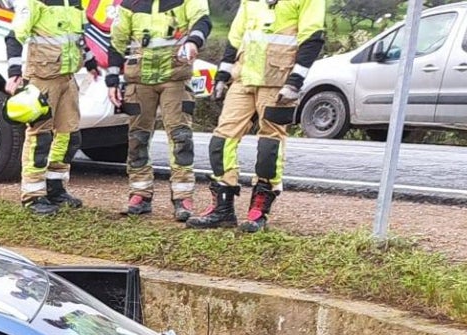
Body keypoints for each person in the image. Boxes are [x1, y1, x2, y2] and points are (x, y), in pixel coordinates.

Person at [187, 0, 325, 232]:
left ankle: (258, 210)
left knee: (270, 145)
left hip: (278, 81)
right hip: (243, 79)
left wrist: (295, 81)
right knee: (222, 140)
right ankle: (222, 209)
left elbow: (312, 38)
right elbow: (236, 36)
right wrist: (223, 75)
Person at [106, 0, 212, 221]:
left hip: (175, 78)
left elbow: (203, 20)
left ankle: (183, 196)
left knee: (181, 137)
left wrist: (193, 41)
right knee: (137, 139)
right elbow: (116, 42)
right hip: (139, 81)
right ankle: (139, 194)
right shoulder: (130, 4)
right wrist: (112, 79)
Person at [4, 0, 97, 216]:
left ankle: (55, 188)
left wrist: (91, 63)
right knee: (40, 138)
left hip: (67, 78)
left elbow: (79, 38)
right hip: (42, 80)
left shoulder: (74, 3)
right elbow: (14, 36)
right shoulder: (35, 3)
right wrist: (14, 71)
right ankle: (33, 195)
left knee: (69, 137)